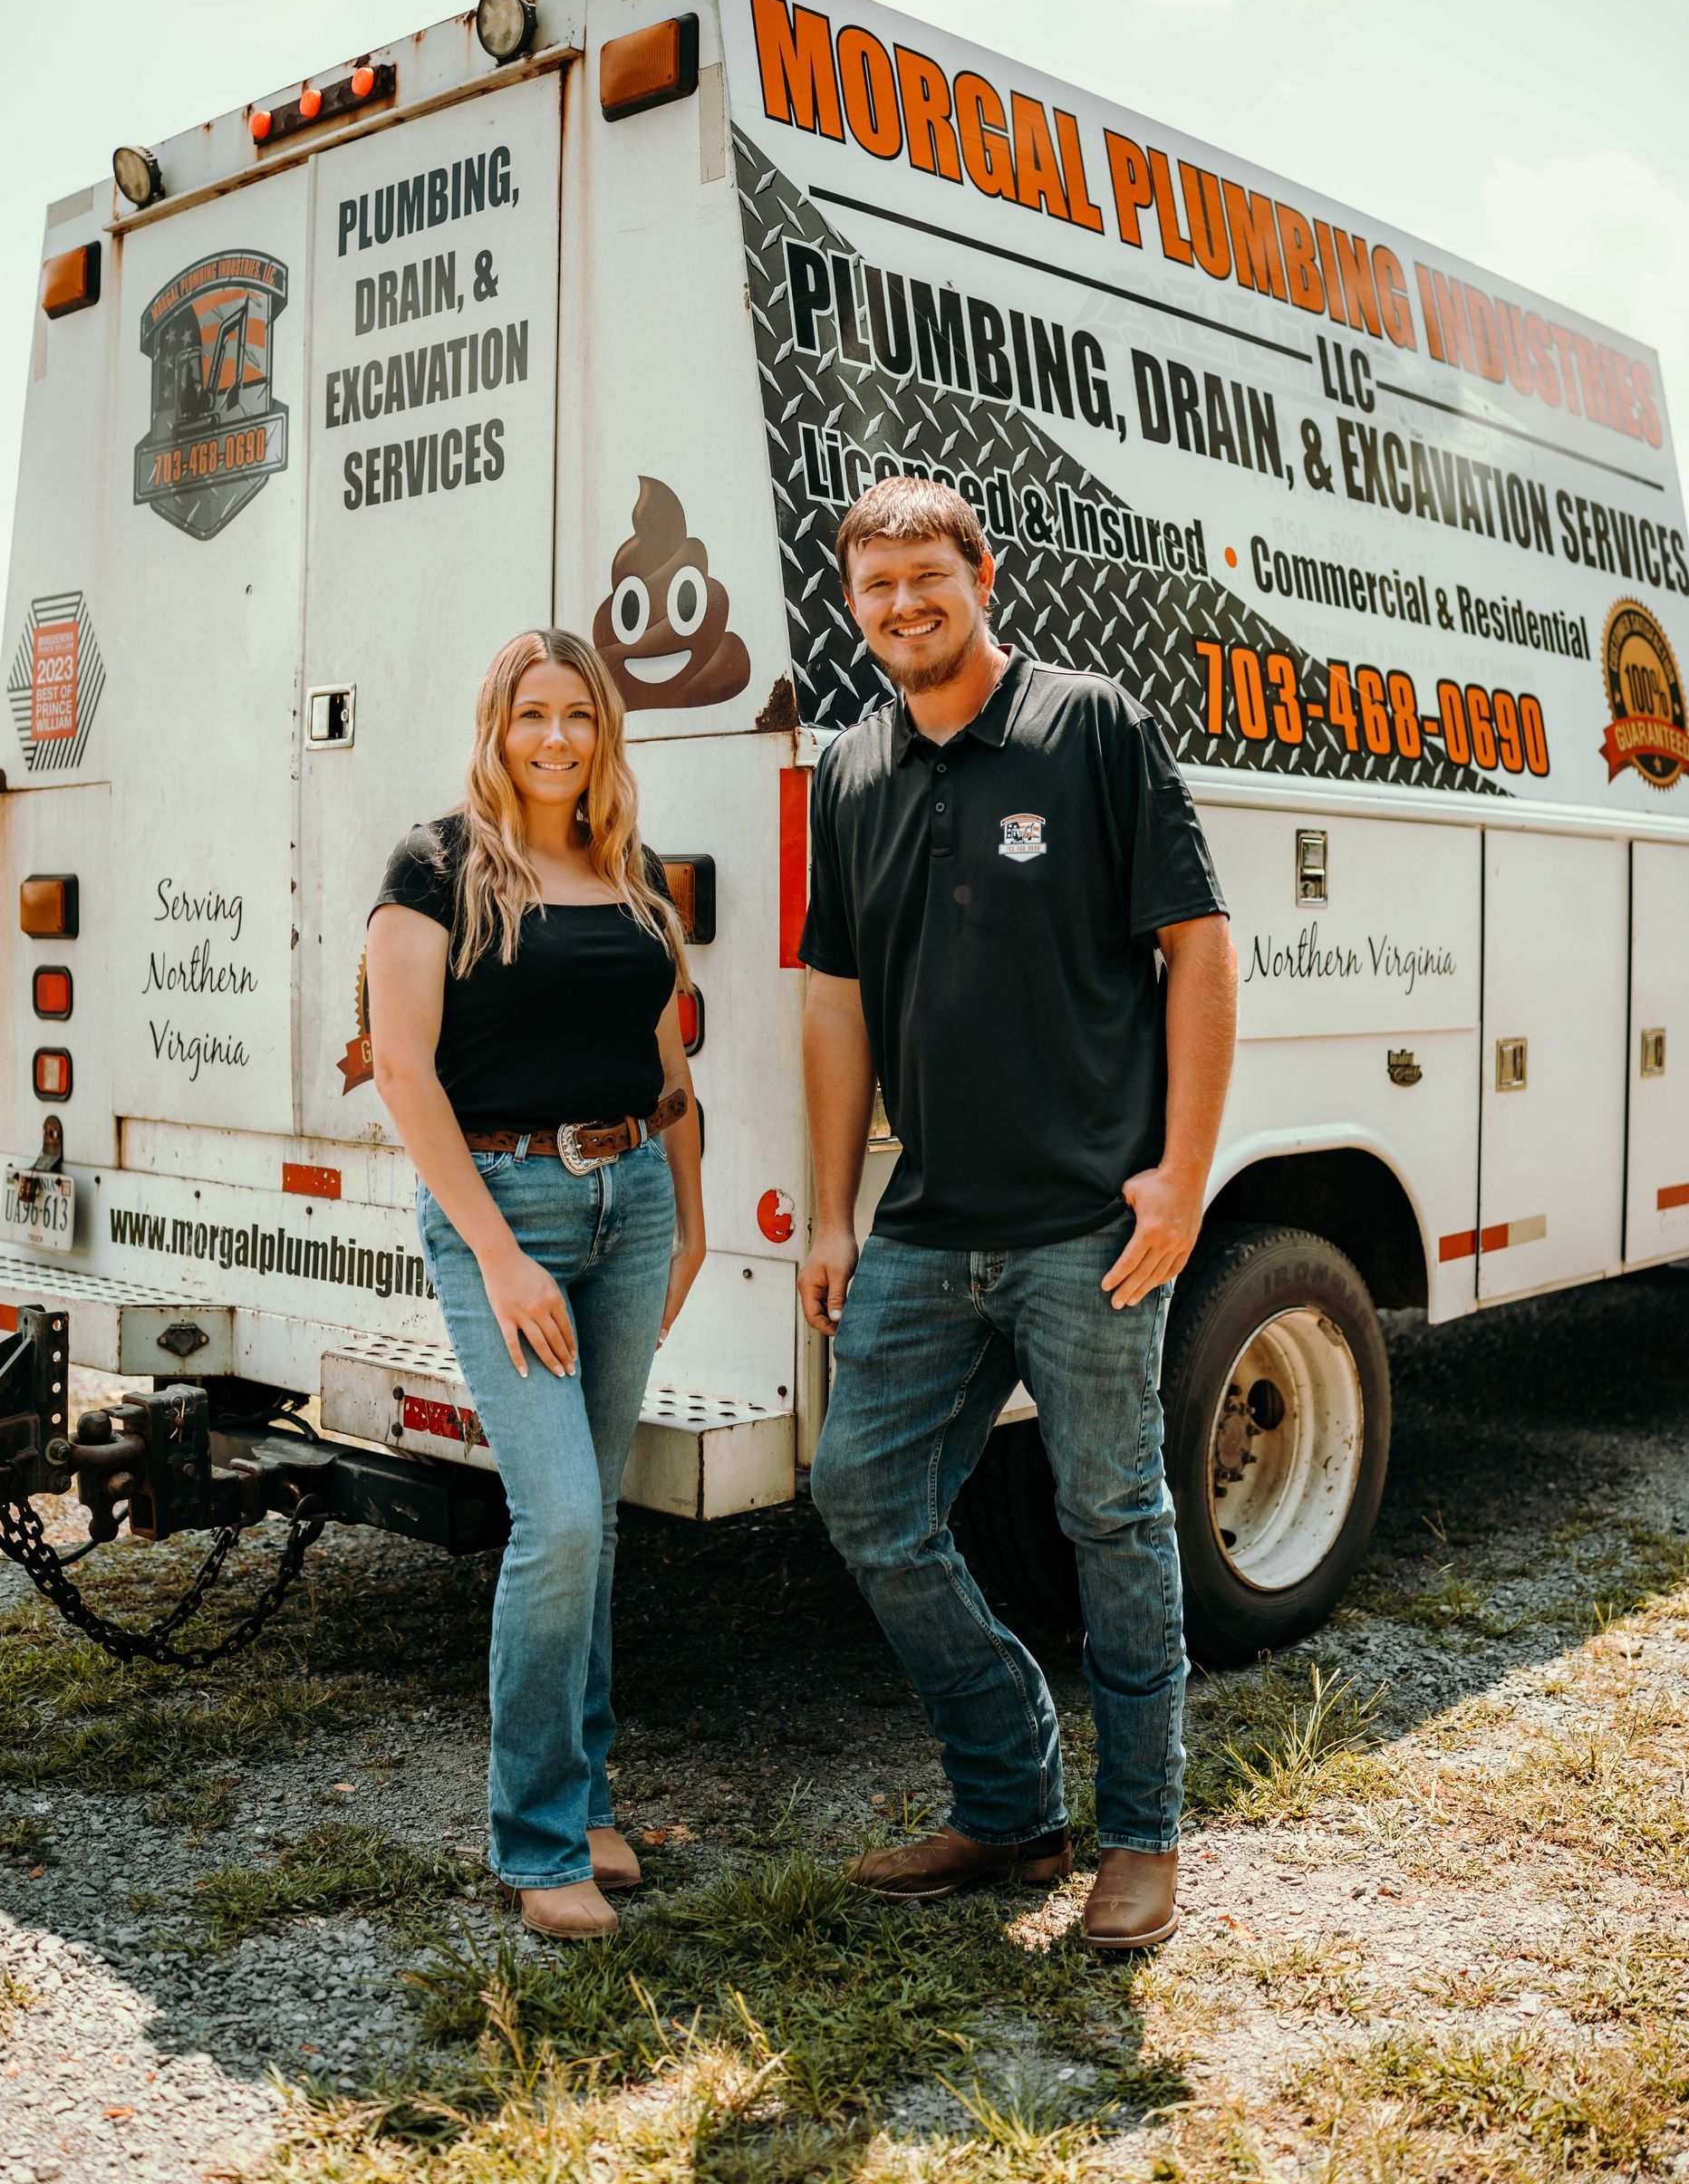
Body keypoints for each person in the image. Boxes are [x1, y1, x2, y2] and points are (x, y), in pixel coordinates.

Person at [796, 480, 1237, 1951]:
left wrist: (1181, 1172)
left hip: (1086, 1228)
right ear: (849, 601)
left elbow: (1199, 949)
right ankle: (1006, 1799)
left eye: (929, 578)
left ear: (984, 575)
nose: (904, 607)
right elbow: (836, 998)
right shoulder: (850, 769)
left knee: (1111, 1515)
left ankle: (1143, 1838)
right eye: (876, 588)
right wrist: (834, 1211)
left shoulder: (1089, 725)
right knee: (863, 1496)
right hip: (926, 1224)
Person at [367, 629, 704, 1941]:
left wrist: (691, 1221)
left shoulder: (630, 872)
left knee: (598, 1518)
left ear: (602, 732)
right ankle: (538, 1840)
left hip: (634, 1205)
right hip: (506, 1210)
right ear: (497, 729)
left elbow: (667, 1058)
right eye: (531, 717)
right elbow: (407, 1072)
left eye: (577, 716)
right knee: (557, 1518)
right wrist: (500, 1255)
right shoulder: (437, 866)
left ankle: (587, 1790)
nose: (555, 739)